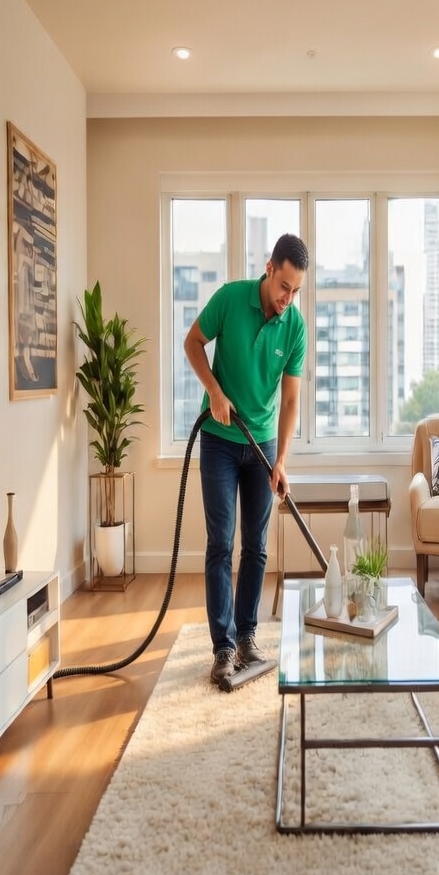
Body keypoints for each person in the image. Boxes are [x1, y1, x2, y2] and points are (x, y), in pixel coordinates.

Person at [183, 233, 309, 688]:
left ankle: (248, 637)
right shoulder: (231, 299)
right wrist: (215, 391)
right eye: (284, 286)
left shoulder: (294, 325)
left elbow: (291, 401)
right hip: (218, 437)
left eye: (296, 291)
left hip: (263, 445)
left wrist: (282, 460)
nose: (287, 299)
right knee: (221, 542)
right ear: (270, 267)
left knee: (256, 546)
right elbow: (192, 342)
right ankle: (222, 647)